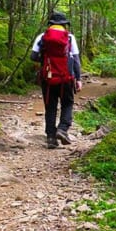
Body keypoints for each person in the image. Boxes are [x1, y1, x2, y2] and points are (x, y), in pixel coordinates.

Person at [31, 12, 82, 149]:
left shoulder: (42, 37)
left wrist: (46, 59)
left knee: (50, 107)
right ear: (64, 25)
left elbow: (33, 56)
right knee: (67, 103)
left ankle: (51, 137)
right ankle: (63, 129)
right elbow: (76, 60)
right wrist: (78, 78)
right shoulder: (70, 38)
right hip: (66, 78)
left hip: (48, 78)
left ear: (51, 24)